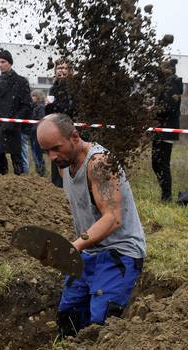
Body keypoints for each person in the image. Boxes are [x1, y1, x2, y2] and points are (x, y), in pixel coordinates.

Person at [36, 113, 146, 338]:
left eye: (56, 148)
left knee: (100, 324)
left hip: (120, 253)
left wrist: (74, 246)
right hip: (90, 252)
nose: (52, 156)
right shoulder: (64, 163)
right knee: (69, 317)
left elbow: (112, 218)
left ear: (74, 137)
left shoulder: (99, 163)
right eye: (46, 151)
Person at [0, 50, 32, 176]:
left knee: (18, 161)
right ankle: (0, 186)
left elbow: (27, 106)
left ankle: (21, 186)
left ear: (9, 63)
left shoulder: (21, 82)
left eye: (3, 62)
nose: (0, 65)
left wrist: (14, 121)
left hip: (14, 127)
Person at [152, 59, 183, 202]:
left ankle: (166, 197)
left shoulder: (173, 84)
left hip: (167, 129)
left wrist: (152, 111)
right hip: (159, 128)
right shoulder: (163, 83)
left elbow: (168, 107)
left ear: (169, 70)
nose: (159, 69)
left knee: (163, 163)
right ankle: (164, 193)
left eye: (162, 67)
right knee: (155, 163)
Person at [45, 58, 77, 188]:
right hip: (56, 130)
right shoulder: (53, 88)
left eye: (64, 68)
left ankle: (72, 188)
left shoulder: (75, 87)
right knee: (56, 161)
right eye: (59, 68)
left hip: (71, 131)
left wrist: (55, 105)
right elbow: (48, 111)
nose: (61, 71)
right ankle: (57, 188)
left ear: (70, 71)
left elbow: (72, 107)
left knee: (71, 162)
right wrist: (47, 106)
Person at [27, 89, 46, 176]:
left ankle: (41, 172)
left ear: (38, 97)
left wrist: (33, 129)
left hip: (37, 134)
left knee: (37, 154)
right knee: (34, 154)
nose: (32, 98)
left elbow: (40, 120)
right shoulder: (32, 107)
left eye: (34, 96)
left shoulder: (40, 107)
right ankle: (39, 171)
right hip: (32, 134)